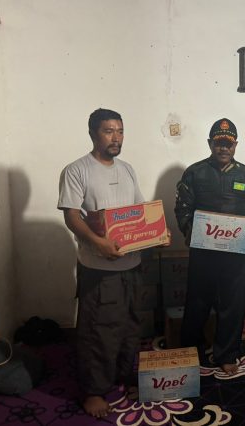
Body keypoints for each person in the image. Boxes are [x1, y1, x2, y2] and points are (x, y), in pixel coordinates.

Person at [58, 108, 169, 418]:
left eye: (120, 131)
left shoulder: (127, 169)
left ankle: (121, 374)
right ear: (93, 133)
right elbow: (71, 216)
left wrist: (159, 233)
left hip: (131, 266)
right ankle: (93, 391)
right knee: (98, 330)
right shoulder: (77, 170)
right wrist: (98, 243)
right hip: (99, 269)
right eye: (109, 131)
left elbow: (140, 212)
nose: (116, 137)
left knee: (130, 325)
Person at [174, 118, 245, 376]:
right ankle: (191, 351)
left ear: (235, 145)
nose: (223, 148)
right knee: (197, 303)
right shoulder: (194, 173)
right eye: (218, 143)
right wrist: (190, 231)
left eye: (228, 143)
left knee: (232, 305)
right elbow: (182, 209)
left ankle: (227, 354)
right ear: (210, 144)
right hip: (203, 253)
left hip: (235, 256)